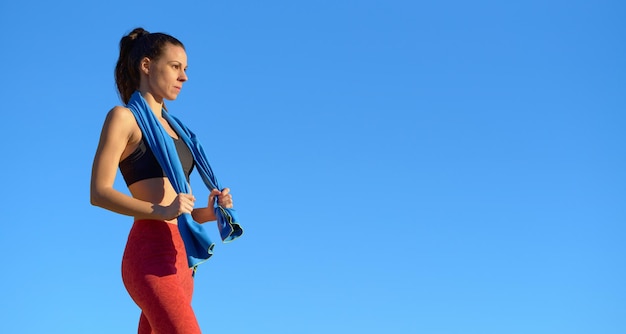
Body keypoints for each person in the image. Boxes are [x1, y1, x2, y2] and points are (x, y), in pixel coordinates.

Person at [90, 27, 232, 333]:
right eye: (175, 67)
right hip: (149, 252)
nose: (184, 77)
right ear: (146, 66)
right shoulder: (123, 118)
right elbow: (99, 192)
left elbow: (179, 209)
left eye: (186, 69)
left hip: (181, 259)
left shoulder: (178, 133)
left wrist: (209, 212)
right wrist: (162, 211)